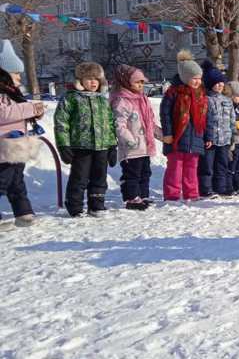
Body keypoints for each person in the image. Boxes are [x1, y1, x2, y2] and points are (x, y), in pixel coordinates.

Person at [54, 62, 117, 217]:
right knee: (80, 177)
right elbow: (61, 122)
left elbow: (110, 123)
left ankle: (96, 205)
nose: (93, 82)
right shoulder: (71, 98)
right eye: (89, 79)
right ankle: (74, 205)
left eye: (96, 79)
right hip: (81, 146)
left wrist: (112, 146)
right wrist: (64, 145)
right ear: (80, 81)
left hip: (102, 146)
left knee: (99, 177)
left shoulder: (103, 100)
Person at [0, 40, 45, 227]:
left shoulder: (13, 94)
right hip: (3, 148)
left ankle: (23, 212)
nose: (19, 77)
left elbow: (18, 114)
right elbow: (3, 114)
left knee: (17, 182)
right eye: (16, 73)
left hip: (16, 146)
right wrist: (29, 108)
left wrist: (34, 114)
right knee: (3, 182)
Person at [110, 65, 161, 210]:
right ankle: (131, 198)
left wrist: (160, 135)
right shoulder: (122, 101)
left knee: (145, 172)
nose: (140, 85)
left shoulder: (143, 99)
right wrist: (130, 140)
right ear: (126, 82)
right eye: (137, 82)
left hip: (145, 146)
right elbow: (119, 124)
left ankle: (143, 195)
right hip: (131, 147)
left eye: (142, 82)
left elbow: (149, 122)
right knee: (132, 174)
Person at [160, 50, 208, 202]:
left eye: (199, 79)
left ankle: (191, 193)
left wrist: (205, 137)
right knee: (175, 167)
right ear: (185, 77)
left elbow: (204, 118)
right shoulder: (173, 93)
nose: (197, 82)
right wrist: (167, 133)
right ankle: (172, 194)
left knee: (191, 168)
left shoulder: (200, 94)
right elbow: (165, 114)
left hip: (195, 138)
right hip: (177, 138)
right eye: (194, 78)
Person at [199, 60, 236, 198]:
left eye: (222, 82)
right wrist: (205, 137)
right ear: (210, 84)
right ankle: (206, 189)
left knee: (222, 165)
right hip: (211, 140)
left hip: (225, 139)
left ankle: (221, 188)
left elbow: (232, 119)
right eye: (216, 83)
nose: (220, 85)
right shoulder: (205, 100)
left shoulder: (227, 100)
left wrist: (233, 134)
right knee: (207, 166)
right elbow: (202, 120)